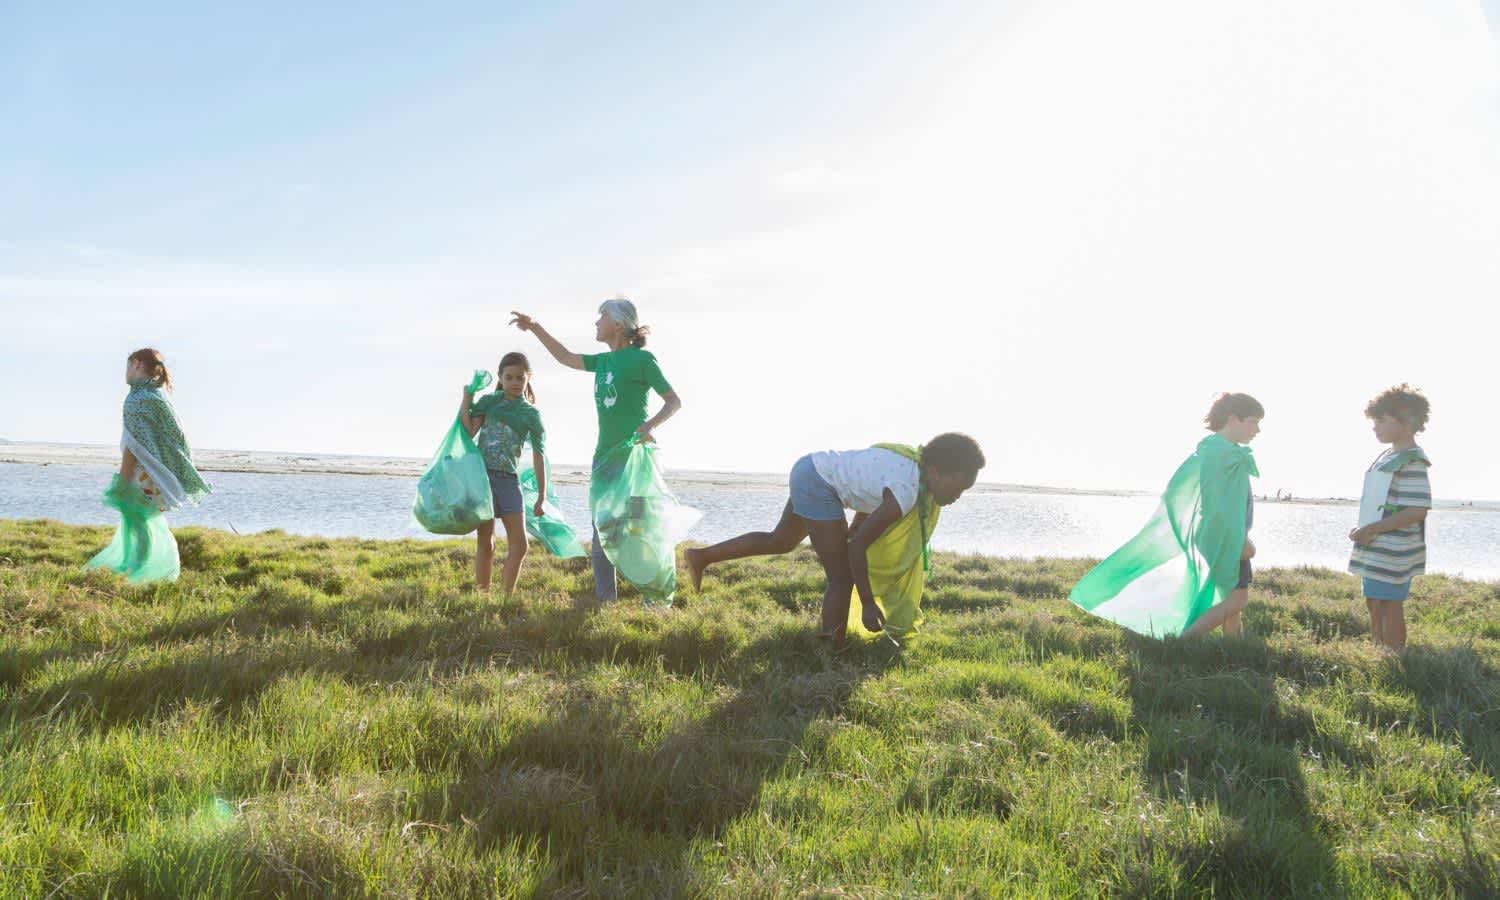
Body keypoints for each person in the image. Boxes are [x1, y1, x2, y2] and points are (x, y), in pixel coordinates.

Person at [685, 435, 986, 647]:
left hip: (811, 467)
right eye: (957, 487)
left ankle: (701, 557)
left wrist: (854, 527)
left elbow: (870, 486)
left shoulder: (911, 464)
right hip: (819, 482)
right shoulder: (907, 490)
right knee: (842, 578)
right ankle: (830, 650)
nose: (957, 497)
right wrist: (867, 604)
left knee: (780, 541)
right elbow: (858, 546)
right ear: (934, 471)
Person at [509, 298, 683, 604]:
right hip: (604, 460)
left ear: (617, 324)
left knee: (640, 530)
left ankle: (653, 601)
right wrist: (535, 327)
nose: (596, 322)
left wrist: (650, 425)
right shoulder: (603, 362)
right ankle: (606, 602)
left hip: (634, 461)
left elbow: (673, 401)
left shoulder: (642, 361)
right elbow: (565, 357)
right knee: (601, 530)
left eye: (601, 317)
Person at [1069, 393, 1263, 638]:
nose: (1258, 430)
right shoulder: (1221, 455)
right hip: (1226, 537)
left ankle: (1235, 645)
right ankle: (1186, 640)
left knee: (1231, 598)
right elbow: (1217, 505)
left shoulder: (1223, 451)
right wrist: (1239, 541)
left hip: (1224, 534)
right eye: (1253, 422)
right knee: (1238, 600)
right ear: (1233, 419)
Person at [85, 348, 211, 582]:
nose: (125, 373)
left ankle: (139, 572)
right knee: (143, 524)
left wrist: (122, 480)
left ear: (136, 363)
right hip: (158, 477)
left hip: (142, 476)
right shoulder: (157, 398)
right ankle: (140, 571)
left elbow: (134, 445)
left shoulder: (137, 399)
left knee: (137, 526)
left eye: (127, 366)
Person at [1349, 384, 1432, 652]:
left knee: (1389, 602)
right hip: (1377, 546)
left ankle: (1394, 653)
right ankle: (1379, 648)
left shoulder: (1412, 461)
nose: (1375, 427)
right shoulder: (1388, 456)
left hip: (1394, 549)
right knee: (1374, 599)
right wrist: (1363, 528)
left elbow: (1417, 509)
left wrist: (1374, 528)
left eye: (1382, 420)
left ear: (1407, 420)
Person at [459, 352, 548, 595]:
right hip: (483, 479)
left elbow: (539, 456)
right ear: (500, 377)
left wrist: (542, 496)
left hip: (509, 481)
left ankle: (506, 597)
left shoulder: (531, 415)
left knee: (520, 545)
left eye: (520, 377)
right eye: (509, 378)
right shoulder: (490, 402)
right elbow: (469, 431)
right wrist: (467, 399)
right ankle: (483, 595)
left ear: (528, 378)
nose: (515, 382)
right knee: (486, 543)